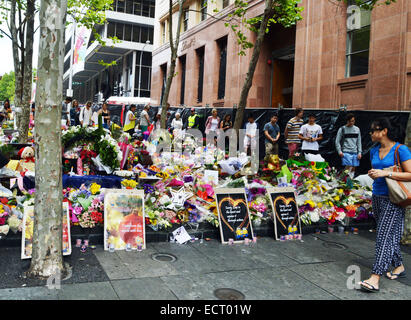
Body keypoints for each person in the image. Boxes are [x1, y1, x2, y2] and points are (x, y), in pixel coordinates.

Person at [358, 118, 411, 293]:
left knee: (383, 236)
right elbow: (378, 172)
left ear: (384, 131)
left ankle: (375, 277)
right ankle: (399, 266)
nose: (371, 133)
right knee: (390, 233)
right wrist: (375, 174)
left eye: (374, 130)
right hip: (377, 195)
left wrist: (385, 173)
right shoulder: (374, 151)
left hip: (394, 198)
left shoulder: (400, 149)